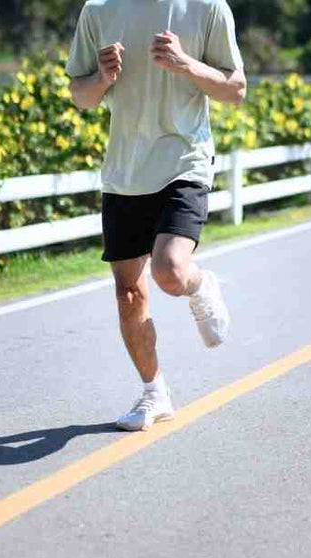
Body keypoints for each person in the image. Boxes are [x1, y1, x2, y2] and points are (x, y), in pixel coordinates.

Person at [66, 0, 246, 431]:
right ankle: (155, 393)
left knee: (170, 269)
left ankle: (200, 283)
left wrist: (187, 65)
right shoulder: (98, 10)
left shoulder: (208, 8)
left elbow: (235, 90)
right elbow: (80, 98)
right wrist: (102, 78)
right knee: (129, 293)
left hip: (185, 161)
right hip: (124, 174)